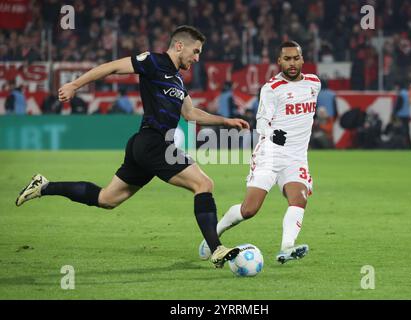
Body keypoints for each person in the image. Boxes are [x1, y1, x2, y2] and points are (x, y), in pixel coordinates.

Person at [15, 25, 250, 269]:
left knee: (106, 199)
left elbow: (190, 113)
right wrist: (75, 85)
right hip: (152, 143)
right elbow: (112, 67)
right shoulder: (153, 61)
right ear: (179, 46)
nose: (197, 58)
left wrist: (225, 121)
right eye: (196, 51)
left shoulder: (177, 79)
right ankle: (216, 249)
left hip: (147, 146)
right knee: (204, 184)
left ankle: (44, 186)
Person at [199, 41, 321, 264]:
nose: (292, 63)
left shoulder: (314, 83)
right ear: (279, 62)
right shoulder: (271, 89)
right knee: (249, 209)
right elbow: (261, 122)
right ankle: (213, 236)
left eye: (296, 58)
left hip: (297, 157)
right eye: (287, 59)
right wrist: (274, 134)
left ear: (302, 60)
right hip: (270, 153)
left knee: (299, 198)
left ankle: (286, 248)